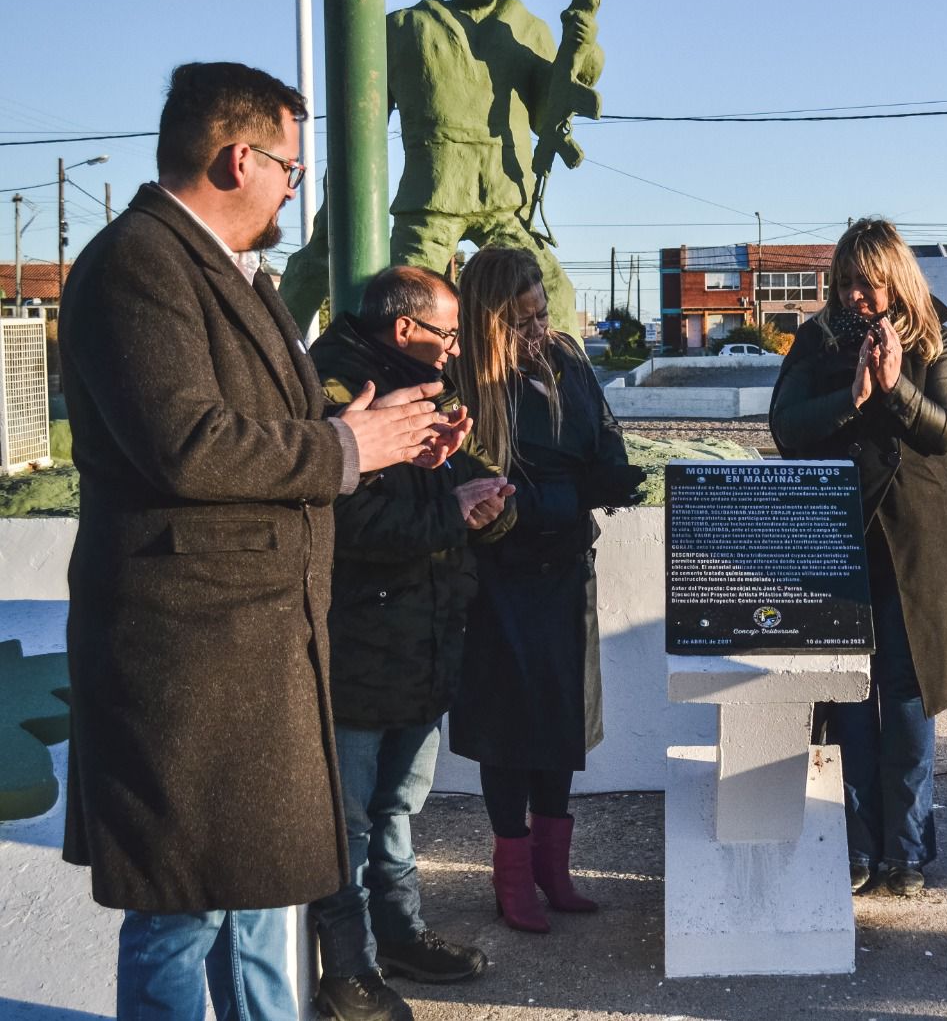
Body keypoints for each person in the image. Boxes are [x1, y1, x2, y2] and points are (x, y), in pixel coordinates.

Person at [58, 61, 456, 1019]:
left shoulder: (233, 273)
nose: (293, 186)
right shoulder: (136, 264)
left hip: (253, 650)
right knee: (180, 915)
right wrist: (343, 445)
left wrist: (377, 431)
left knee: (261, 908)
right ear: (240, 159)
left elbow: (272, 429)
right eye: (289, 166)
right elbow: (188, 446)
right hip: (188, 661)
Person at [308, 266, 517, 1020]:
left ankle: (399, 937)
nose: (456, 347)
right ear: (406, 330)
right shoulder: (339, 394)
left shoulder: (427, 386)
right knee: (351, 819)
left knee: (397, 807)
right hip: (360, 645)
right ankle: (349, 971)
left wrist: (487, 503)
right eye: (450, 333)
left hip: (422, 640)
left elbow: (458, 478)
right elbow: (342, 527)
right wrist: (450, 514)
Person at [769, 218, 947, 897]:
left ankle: (907, 851)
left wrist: (896, 387)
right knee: (844, 696)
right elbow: (786, 427)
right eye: (844, 283)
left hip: (917, 542)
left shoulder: (935, 338)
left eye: (866, 283)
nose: (855, 296)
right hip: (838, 539)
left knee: (906, 696)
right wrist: (853, 398)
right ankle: (855, 845)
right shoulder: (816, 340)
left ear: (895, 278)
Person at [447, 246, 645, 932]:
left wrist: (607, 478)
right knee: (508, 731)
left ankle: (553, 871)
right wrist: (554, 497)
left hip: (565, 569)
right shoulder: (465, 382)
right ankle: (512, 880)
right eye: (523, 321)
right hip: (497, 579)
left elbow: (604, 444)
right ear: (490, 321)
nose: (539, 331)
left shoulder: (565, 360)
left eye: (543, 314)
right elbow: (479, 493)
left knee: (560, 722)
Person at [279, 0, 599, 335]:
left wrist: (579, 49)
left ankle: (569, 391)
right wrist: (332, 221)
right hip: (430, 205)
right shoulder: (405, 28)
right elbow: (360, 133)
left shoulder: (527, 29)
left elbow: (546, 117)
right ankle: (300, 373)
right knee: (400, 305)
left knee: (554, 293)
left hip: (506, 200)